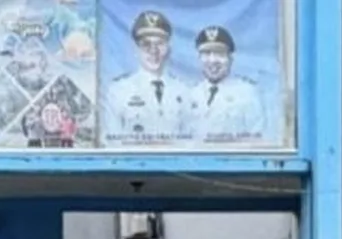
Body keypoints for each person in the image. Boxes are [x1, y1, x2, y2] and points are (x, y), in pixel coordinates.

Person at [103, 10, 189, 145]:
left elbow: (191, 143)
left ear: (168, 48)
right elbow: (111, 145)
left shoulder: (184, 92)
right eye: (146, 44)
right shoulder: (118, 92)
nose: (153, 51)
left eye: (160, 43)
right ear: (136, 49)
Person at [188, 25, 265, 145]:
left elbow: (258, 140)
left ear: (230, 59)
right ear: (199, 58)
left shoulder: (247, 93)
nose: (213, 60)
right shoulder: (191, 94)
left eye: (219, 54)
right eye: (206, 53)